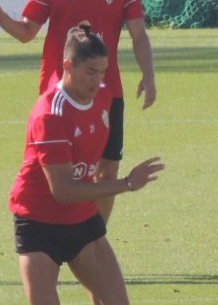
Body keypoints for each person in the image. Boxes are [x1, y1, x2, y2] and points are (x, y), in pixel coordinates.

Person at [0, 0, 156, 223]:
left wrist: (148, 75)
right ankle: (53, 230)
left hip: (107, 94)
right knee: (57, 173)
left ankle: (95, 239)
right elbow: (26, 32)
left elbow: (139, 35)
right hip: (58, 98)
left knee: (106, 169)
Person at [9, 23, 164, 305]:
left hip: (83, 222)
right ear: (68, 66)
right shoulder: (50, 115)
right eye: (91, 72)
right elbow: (63, 191)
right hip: (38, 224)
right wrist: (127, 184)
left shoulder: (103, 97)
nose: (98, 81)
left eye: (103, 72)